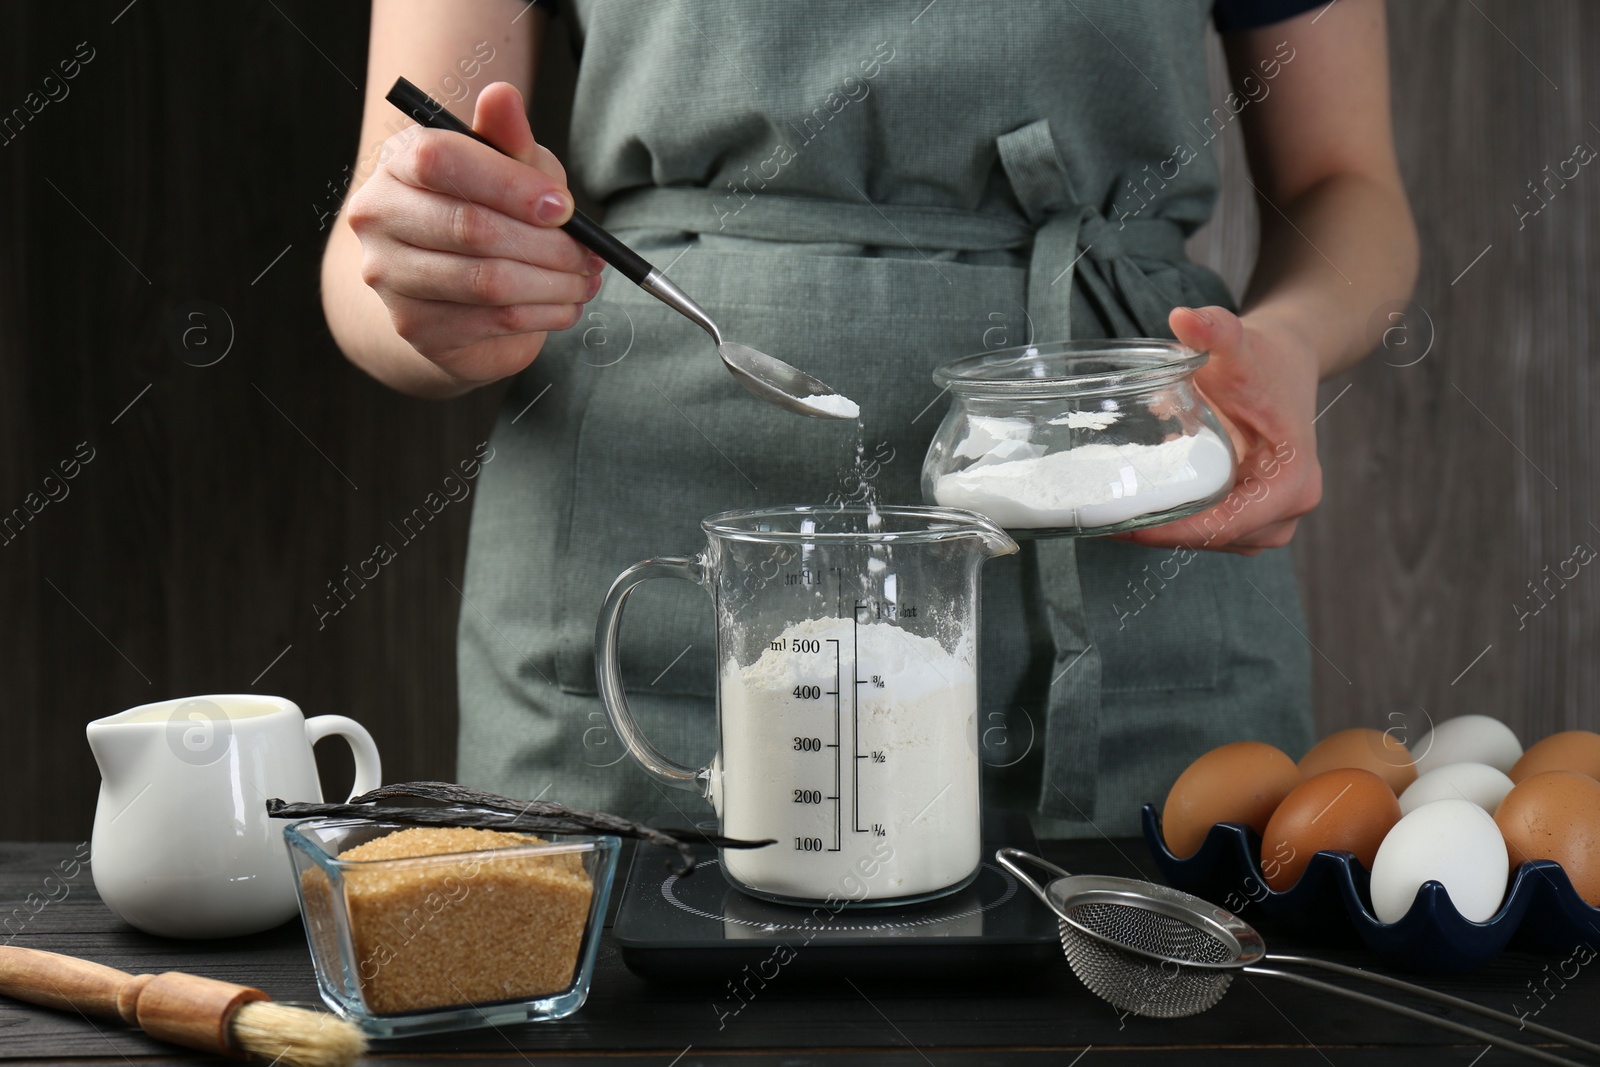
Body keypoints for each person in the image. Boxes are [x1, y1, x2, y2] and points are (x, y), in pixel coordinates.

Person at [322, 0, 1417, 837]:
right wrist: (440, 286)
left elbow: (1345, 182)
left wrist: (1292, 341)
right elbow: (375, 247)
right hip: (647, 561)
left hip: (1133, 544)